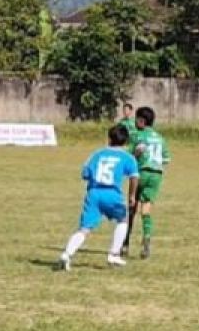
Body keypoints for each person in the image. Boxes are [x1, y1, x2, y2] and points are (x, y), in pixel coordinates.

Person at [58, 124, 139, 271]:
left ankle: (67, 254)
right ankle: (114, 254)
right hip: (112, 195)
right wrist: (132, 195)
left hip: (94, 194)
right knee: (123, 220)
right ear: (126, 141)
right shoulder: (128, 158)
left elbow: (85, 174)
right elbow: (134, 177)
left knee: (84, 229)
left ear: (109, 139)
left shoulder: (97, 154)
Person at [123, 106, 172, 259]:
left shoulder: (138, 135)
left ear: (141, 121)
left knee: (132, 207)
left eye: (136, 119)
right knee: (146, 210)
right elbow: (166, 159)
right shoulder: (160, 138)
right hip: (156, 174)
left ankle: (125, 243)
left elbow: (130, 155)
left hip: (141, 172)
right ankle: (146, 239)